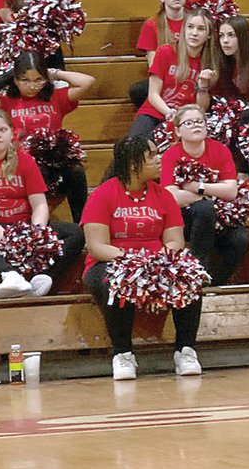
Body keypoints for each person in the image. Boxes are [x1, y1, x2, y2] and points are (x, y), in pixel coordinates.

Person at [82, 134, 203, 380]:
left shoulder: (164, 196)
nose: (160, 160)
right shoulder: (103, 195)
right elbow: (96, 246)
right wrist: (132, 261)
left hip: (156, 261)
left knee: (189, 277)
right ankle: (123, 354)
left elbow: (175, 241)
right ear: (132, 163)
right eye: (152, 156)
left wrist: (158, 259)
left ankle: (185, 350)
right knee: (114, 283)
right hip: (111, 261)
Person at [0, 109, 83, 299]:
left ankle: (42, 277)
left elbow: (39, 205)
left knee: (75, 233)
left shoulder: (26, 161)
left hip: (23, 227)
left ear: (11, 133)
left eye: (3, 130)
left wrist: (36, 232)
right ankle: (8, 274)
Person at [0, 52, 94, 220]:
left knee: (76, 171)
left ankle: (81, 223)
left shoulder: (55, 98)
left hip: (53, 160)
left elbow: (87, 82)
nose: (32, 86)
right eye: (25, 80)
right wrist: (10, 75)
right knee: (35, 170)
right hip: (21, 161)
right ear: (16, 80)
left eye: (38, 80)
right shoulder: (7, 101)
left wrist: (54, 73)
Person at [160, 103, 249, 287]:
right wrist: (210, 195)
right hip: (185, 220)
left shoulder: (220, 149)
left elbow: (231, 190)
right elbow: (170, 196)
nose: (197, 126)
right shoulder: (171, 155)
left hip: (219, 217)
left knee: (241, 240)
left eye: (200, 121)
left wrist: (197, 187)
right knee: (204, 208)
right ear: (177, 131)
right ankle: (196, 269)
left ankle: (213, 281)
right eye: (190, 123)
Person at [131, 9, 216, 140]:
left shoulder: (211, 63)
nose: (194, 33)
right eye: (190, 27)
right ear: (184, 29)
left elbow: (201, 108)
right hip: (155, 111)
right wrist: (170, 113)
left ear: (209, 34)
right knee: (132, 145)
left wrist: (203, 86)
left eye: (201, 29)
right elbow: (153, 94)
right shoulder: (165, 52)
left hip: (186, 119)